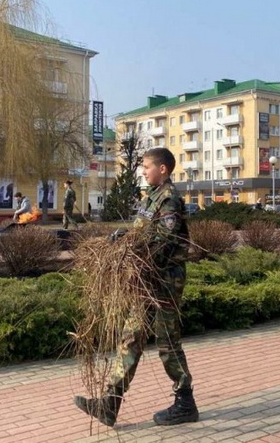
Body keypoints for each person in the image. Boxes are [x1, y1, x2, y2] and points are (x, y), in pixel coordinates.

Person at [74, 147, 198, 427]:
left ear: (163, 169)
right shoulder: (152, 197)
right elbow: (144, 233)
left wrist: (138, 265)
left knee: (167, 342)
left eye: (147, 166)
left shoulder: (169, 199)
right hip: (147, 279)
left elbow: (164, 243)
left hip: (164, 280)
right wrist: (124, 239)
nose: (143, 171)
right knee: (131, 337)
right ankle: (110, 404)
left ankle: (185, 402)